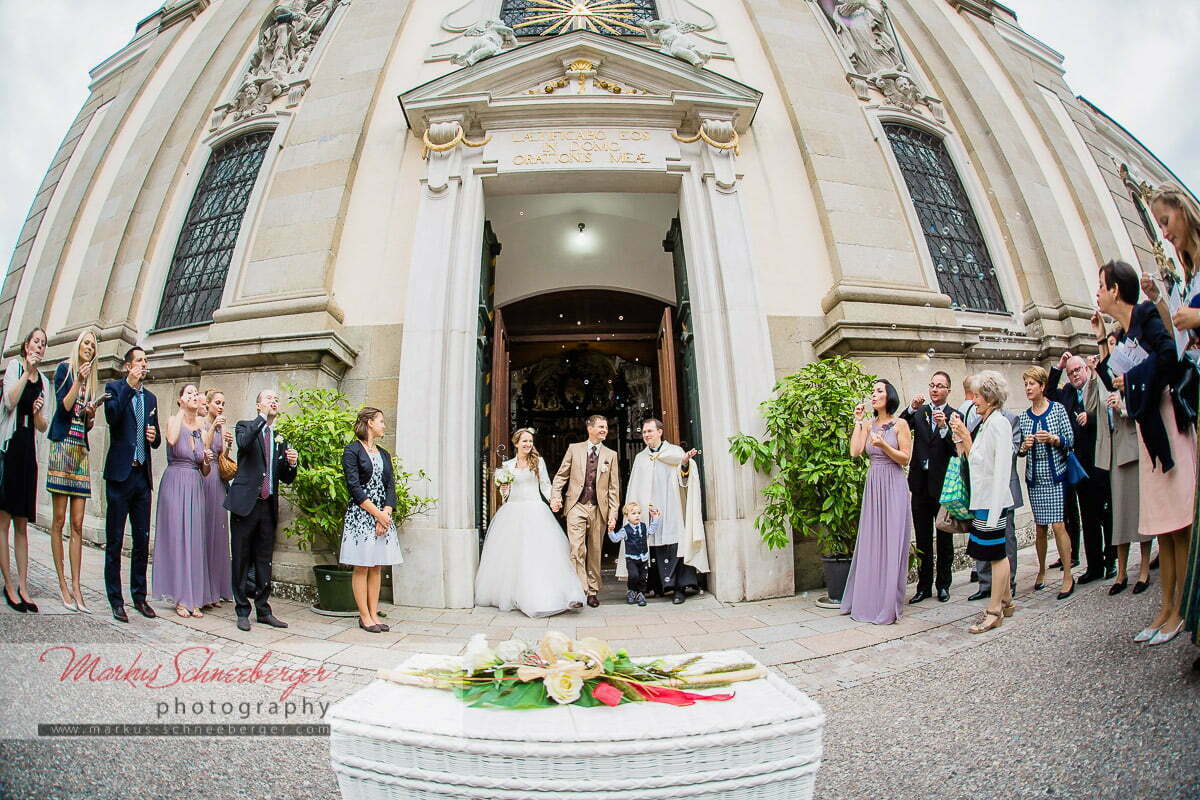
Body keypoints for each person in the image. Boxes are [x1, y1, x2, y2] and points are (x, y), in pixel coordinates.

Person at [1096, 259, 1195, 647]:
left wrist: (1132, 378)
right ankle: (1165, 607)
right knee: (1164, 529)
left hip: (1167, 426)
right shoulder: (1124, 330)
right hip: (1148, 429)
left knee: (1179, 525)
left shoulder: (1148, 314)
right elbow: (1113, 377)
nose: (1098, 292)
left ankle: (1181, 609)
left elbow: (1169, 356)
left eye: (1101, 285)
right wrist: (1104, 339)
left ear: (1116, 289)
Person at [1148, 186, 1200, 668]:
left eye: (1166, 222)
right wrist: (1165, 308)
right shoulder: (1183, 277)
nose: (1164, 234)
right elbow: (1177, 335)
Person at [476, 427, 585, 617]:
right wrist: (504, 487)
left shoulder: (538, 462)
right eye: (524, 441)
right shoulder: (508, 466)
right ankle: (515, 593)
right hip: (513, 511)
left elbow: (545, 485)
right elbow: (505, 495)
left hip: (536, 509)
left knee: (539, 552)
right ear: (516, 443)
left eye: (530, 441)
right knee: (514, 554)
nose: (528, 444)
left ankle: (548, 593)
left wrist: (554, 500)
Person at [225, 389, 298, 631]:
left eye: (276, 399)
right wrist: (262, 419)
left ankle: (264, 609)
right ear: (258, 406)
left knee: (264, 560)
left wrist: (292, 464)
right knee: (241, 557)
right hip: (246, 504)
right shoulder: (245, 426)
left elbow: (286, 478)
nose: (274, 402)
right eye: (268, 399)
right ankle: (241, 610)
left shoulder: (280, 438)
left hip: (268, 506)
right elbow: (244, 445)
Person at [951, 371, 1017, 633]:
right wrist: (963, 439)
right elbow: (977, 461)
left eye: (977, 395)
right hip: (985, 500)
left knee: (996, 556)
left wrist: (994, 511)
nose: (973, 400)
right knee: (994, 554)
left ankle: (994, 611)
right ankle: (1007, 602)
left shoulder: (999, 423)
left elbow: (1001, 468)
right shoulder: (988, 423)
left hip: (994, 502)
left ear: (989, 397)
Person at [842, 379, 912, 625]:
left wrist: (884, 445)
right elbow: (855, 452)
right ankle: (868, 598)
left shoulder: (900, 424)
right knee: (873, 539)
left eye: (879, 391)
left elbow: (905, 458)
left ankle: (887, 602)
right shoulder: (869, 424)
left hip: (893, 484)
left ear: (888, 395)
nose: (874, 395)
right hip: (874, 485)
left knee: (892, 540)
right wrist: (858, 422)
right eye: (872, 392)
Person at [1087, 335, 1151, 595]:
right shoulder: (1102, 377)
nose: (1111, 349)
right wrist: (1092, 376)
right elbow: (1090, 405)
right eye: (1107, 345)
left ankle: (1144, 569)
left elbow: (1141, 408)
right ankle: (1122, 571)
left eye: (1115, 344)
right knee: (1118, 515)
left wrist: (1123, 405)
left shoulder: (1130, 373)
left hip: (1130, 448)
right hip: (1110, 452)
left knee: (1139, 511)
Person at [103, 346, 160, 623]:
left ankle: (139, 596)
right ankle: (116, 599)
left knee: (141, 540)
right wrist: (129, 385)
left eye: (145, 361)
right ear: (128, 366)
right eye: (139, 361)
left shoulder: (151, 399)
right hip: (119, 476)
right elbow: (112, 418)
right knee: (114, 540)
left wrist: (153, 436)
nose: (143, 365)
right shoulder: (114, 388)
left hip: (141, 477)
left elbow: (157, 439)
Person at [622, 418, 707, 604]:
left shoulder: (675, 452)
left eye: (650, 431)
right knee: (652, 545)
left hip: (672, 505)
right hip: (650, 510)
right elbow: (636, 486)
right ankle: (657, 585)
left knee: (675, 544)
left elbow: (685, 479)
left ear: (660, 432)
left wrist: (684, 463)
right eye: (644, 432)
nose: (646, 435)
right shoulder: (640, 458)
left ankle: (679, 588)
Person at [46, 329, 101, 613]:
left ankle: (78, 586)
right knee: (58, 520)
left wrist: (91, 414)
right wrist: (78, 379)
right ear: (78, 346)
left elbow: (85, 421)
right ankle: (62, 584)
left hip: (80, 451)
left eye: (93, 346)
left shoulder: (91, 381)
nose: (90, 348)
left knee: (77, 523)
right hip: (62, 447)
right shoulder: (66, 371)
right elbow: (64, 409)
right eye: (86, 343)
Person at [152, 384, 216, 618]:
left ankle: (194, 598)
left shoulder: (203, 426)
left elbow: (206, 468)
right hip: (175, 481)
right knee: (177, 538)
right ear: (180, 399)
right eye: (187, 393)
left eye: (195, 392)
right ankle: (180, 597)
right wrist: (183, 411)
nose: (192, 395)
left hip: (195, 482)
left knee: (195, 539)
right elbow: (170, 439)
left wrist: (207, 459)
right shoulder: (173, 420)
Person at [340, 407, 403, 632]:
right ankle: (364, 616)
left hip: (382, 517)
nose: (384, 426)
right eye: (381, 421)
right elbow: (354, 487)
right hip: (361, 515)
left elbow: (390, 486)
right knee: (362, 566)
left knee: (376, 566)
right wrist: (376, 514)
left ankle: (374, 613)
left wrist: (385, 514)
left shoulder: (384, 454)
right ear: (369, 423)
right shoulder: (352, 451)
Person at [0, 327, 49, 613]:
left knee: (22, 522)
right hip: (10, 446)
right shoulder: (15, 367)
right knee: (4, 519)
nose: (39, 347)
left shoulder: (43, 380)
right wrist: (25, 371)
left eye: (43, 344)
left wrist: (39, 412)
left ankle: (24, 586)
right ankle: (8, 583)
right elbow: (9, 401)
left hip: (28, 448)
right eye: (36, 342)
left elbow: (42, 425)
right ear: (26, 345)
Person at [1016, 365, 1076, 599]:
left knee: (1058, 524)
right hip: (1035, 479)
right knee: (1040, 527)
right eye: (1026, 384)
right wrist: (1024, 446)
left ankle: (1068, 575)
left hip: (1056, 476)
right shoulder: (1023, 417)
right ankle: (1041, 571)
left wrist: (1053, 439)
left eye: (1032, 384)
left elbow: (1070, 439)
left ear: (1042, 386)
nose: (1028, 388)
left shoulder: (1057, 410)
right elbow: (1019, 451)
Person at [1047, 353, 1108, 580]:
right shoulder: (1068, 394)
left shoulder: (1096, 385)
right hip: (1079, 465)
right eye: (1070, 372)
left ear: (1085, 369)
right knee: (1089, 517)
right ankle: (1094, 567)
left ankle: (1110, 558)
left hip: (1100, 459)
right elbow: (1049, 394)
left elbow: (1107, 413)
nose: (1074, 375)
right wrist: (1059, 367)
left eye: (1077, 370)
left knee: (1105, 513)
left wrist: (1089, 418)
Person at [550, 415, 620, 608]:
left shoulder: (611, 455)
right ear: (590, 428)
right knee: (577, 548)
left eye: (606, 427)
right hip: (576, 506)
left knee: (595, 550)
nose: (604, 430)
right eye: (600, 427)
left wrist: (613, 514)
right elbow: (561, 476)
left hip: (599, 508)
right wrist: (555, 496)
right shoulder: (574, 449)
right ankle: (580, 589)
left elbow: (614, 488)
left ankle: (593, 590)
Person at [900, 371, 955, 603]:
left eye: (940, 386)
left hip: (942, 488)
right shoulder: (921, 413)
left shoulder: (955, 416)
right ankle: (923, 587)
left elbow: (957, 450)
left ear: (948, 391)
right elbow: (901, 424)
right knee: (922, 539)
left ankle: (943, 584)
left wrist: (944, 429)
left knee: (944, 539)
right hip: (920, 487)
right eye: (932, 385)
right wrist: (912, 407)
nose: (934, 389)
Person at [971, 408, 1022, 602]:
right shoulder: (979, 421)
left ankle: (1004, 591)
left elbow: (1006, 456)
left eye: (977, 395)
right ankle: (986, 586)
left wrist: (967, 444)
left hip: (999, 492)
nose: (974, 400)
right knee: (984, 541)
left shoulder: (1005, 420)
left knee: (1003, 543)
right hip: (982, 492)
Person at [200, 389, 234, 608]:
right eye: (217, 402)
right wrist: (213, 427)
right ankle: (204, 589)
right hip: (204, 476)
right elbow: (203, 447)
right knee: (204, 532)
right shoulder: (202, 423)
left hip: (218, 479)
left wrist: (228, 444)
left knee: (218, 532)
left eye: (223, 403)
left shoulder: (222, 427)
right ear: (209, 404)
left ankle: (217, 588)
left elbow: (223, 456)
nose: (221, 406)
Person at [608, 502, 662, 606]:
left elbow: (651, 530)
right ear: (627, 516)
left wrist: (655, 519)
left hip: (644, 558)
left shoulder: (643, 527)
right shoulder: (625, 530)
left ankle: (641, 593)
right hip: (631, 559)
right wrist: (611, 531)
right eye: (633, 513)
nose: (637, 515)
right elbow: (615, 539)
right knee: (633, 575)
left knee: (643, 577)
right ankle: (631, 591)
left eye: (638, 513)